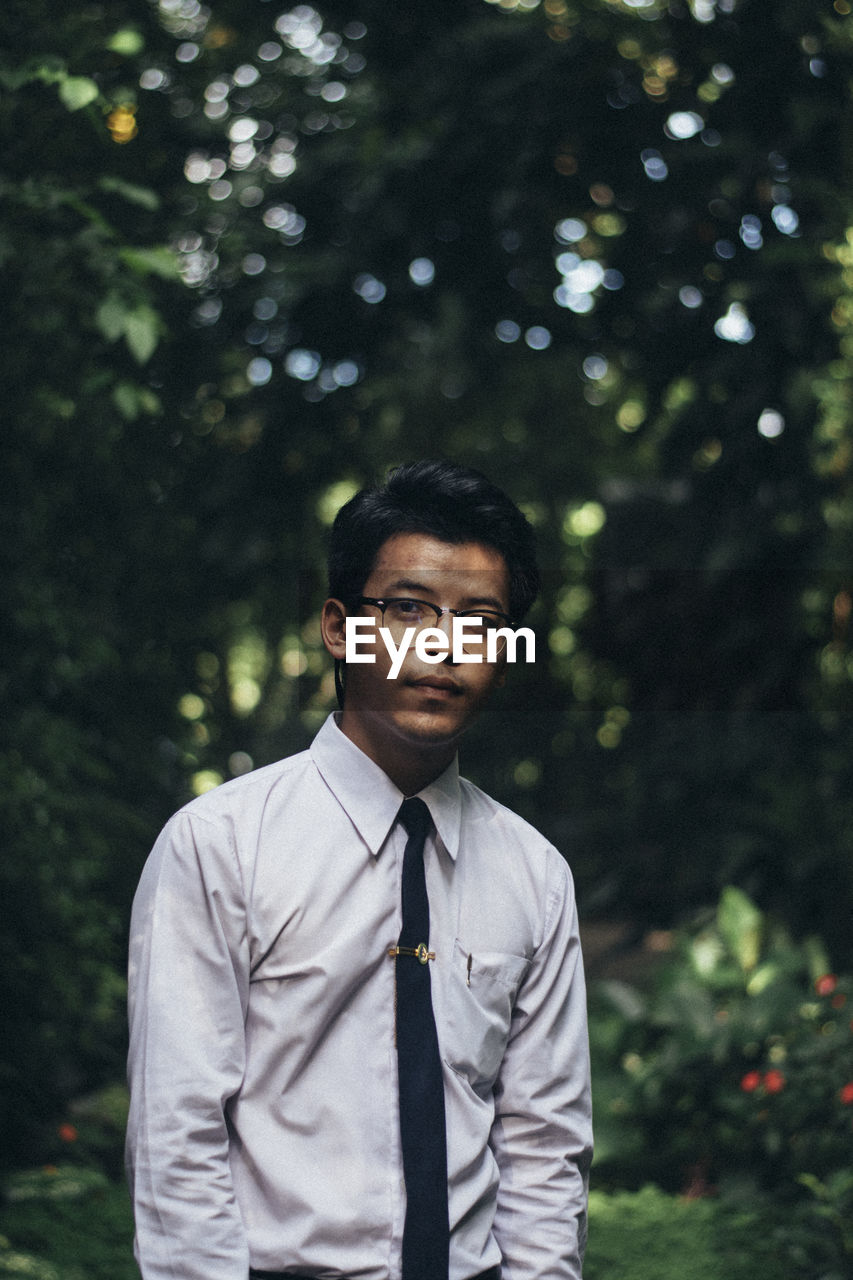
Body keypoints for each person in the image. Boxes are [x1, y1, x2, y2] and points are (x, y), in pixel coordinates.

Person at [126, 460, 592, 1280]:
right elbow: (177, 1135)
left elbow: (543, 1148)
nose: (445, 646)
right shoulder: (220, 845)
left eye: (481, 619)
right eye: (409, 608)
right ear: (340, 628)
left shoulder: (535, 876)